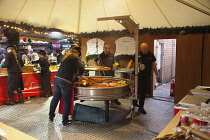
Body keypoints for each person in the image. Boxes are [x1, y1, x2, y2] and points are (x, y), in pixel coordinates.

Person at [49, 47, 84, 126]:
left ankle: (51, 115)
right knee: (66, 100)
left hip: (57, 78)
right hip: (65, 81)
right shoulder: (75, 57)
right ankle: (65, 121)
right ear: (78, 53)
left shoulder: (67, 56)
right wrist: (79, 76)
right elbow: (81, 68)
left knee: (55, 98)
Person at [127, 43, 158, 114]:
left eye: (147, 49)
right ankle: (134, 103)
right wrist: (128, 70)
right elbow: (131, 62)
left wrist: (156, 73)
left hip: (146, 76)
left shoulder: (151, 55)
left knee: (143, 93)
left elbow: (153, 65)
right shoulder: (137, 54)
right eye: (144, 49)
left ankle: (141, 108)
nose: (146, 50)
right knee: (137, 91)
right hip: (138, 76)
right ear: (141, 49)